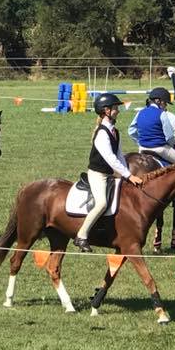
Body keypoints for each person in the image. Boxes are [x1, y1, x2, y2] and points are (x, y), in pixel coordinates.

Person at [73, 93, 144, 252]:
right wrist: (128, 175)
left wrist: (128, 173)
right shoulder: (102, 133)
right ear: (106, 111)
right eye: (115, 108)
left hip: (109, 175)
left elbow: (119, 155)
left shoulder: (114, 131)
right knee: (102, 203)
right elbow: (111, 158)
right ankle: (82, 235)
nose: (118, 110)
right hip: (97, 174)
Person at [128, 86, 175, 165]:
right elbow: (169, 137)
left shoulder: (140, 112)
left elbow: (131, 131)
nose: (166, 105)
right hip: (160, 149)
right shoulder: (162, 113)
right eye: (165, 103)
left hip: (142, 148)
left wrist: (140, 141)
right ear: (157, 101)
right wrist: (172, 144)